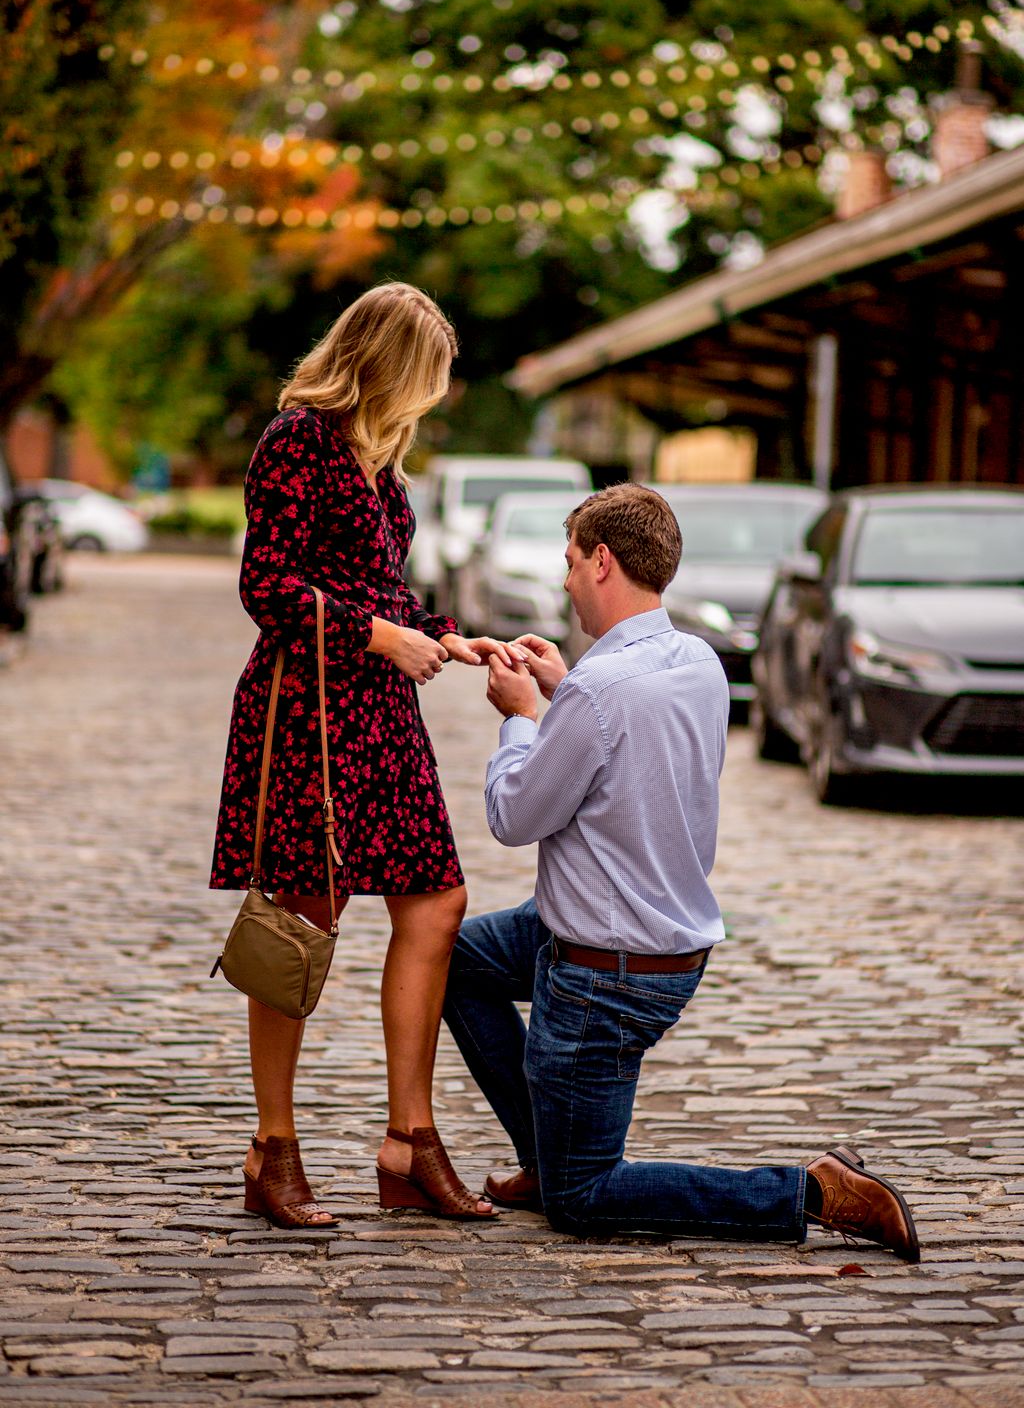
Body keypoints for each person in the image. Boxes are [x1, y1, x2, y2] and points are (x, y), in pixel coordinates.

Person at [442, 482, 919, 1261]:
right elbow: (627, 744)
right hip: (659, 941)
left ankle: (812, 1192)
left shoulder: (597, 691)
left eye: (569, 563)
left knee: (586, 1198)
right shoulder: (693, 659)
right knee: (457, 958)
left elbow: (514, 818)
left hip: (606, 974)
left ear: (602, 562)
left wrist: (524, 720)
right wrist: (563, 695)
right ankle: (546, 1149)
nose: (563, 582)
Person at [211, 282, 508, 1227]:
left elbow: (377, 588)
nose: (433, 398)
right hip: (306, 710)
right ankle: (272, 1149)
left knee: (437, 900)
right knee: (305, 919)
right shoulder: (295, 439)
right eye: (428, 379)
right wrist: (381, 638)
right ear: (385, 368)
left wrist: (453, 638)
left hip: (380, 713)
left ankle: (408, 1143)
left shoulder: (386, 469)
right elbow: (267, 585)